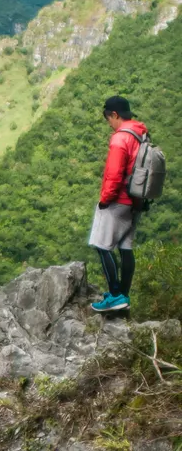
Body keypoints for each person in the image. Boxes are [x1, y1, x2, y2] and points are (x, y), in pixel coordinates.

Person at [88, 96, 147, 313]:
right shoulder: (141, 134)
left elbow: (114, 175)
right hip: (136, 201)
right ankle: (123, 295)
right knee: (125, 247)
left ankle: (114, 296)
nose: (109, 125)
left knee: (102, 246)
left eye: (108, 120)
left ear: (114, 114)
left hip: (118, 201)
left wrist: (105, 200)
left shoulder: (120, 139)